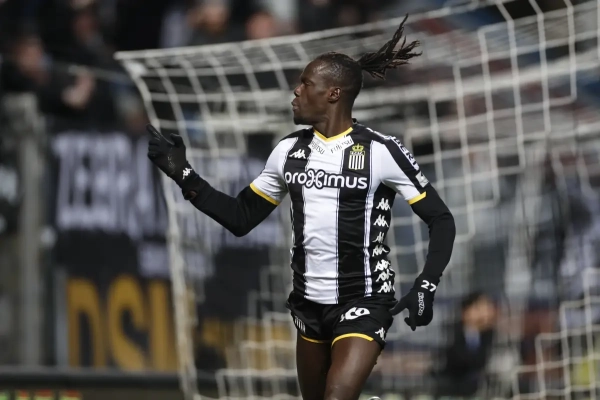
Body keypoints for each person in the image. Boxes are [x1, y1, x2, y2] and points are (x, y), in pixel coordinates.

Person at [147, 15, 456, 400]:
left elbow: (441, 219)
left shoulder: (381, 151)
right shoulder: (288, 151)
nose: (295, 91)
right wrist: (184, 175)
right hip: (308, 305)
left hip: (364, 299)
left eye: (306, 83)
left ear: (333, 93)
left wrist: (426, 283)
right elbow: (241, 218)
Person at [433, 292, 496, 397]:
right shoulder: (451, 331)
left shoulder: (490, 334)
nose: (486, 314)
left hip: (480, 387)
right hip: (452, 384)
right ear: (466, 312)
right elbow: (453, 360)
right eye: (479, 308)